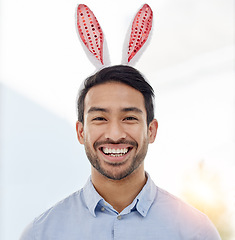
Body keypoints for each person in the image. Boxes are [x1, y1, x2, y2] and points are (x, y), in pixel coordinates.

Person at [20, 65, 221, 239]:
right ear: (81, 132)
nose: (115, 135)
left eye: (129, 118)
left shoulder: (197, 232)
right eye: (99, 118)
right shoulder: (41, 234)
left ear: (151, 130)